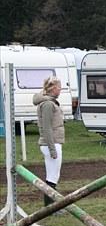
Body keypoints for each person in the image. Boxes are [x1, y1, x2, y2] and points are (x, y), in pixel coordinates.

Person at [33, 76, 65, 206]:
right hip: (50, 143)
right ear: (53, 88)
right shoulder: (47, 104)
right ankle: (50, 205)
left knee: (53, 175)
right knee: (52, 175)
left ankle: (51, 205)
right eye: (59, 88)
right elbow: (47, 128)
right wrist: (52, 149)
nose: (60, 91)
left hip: (53, 142)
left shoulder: (50, 102)